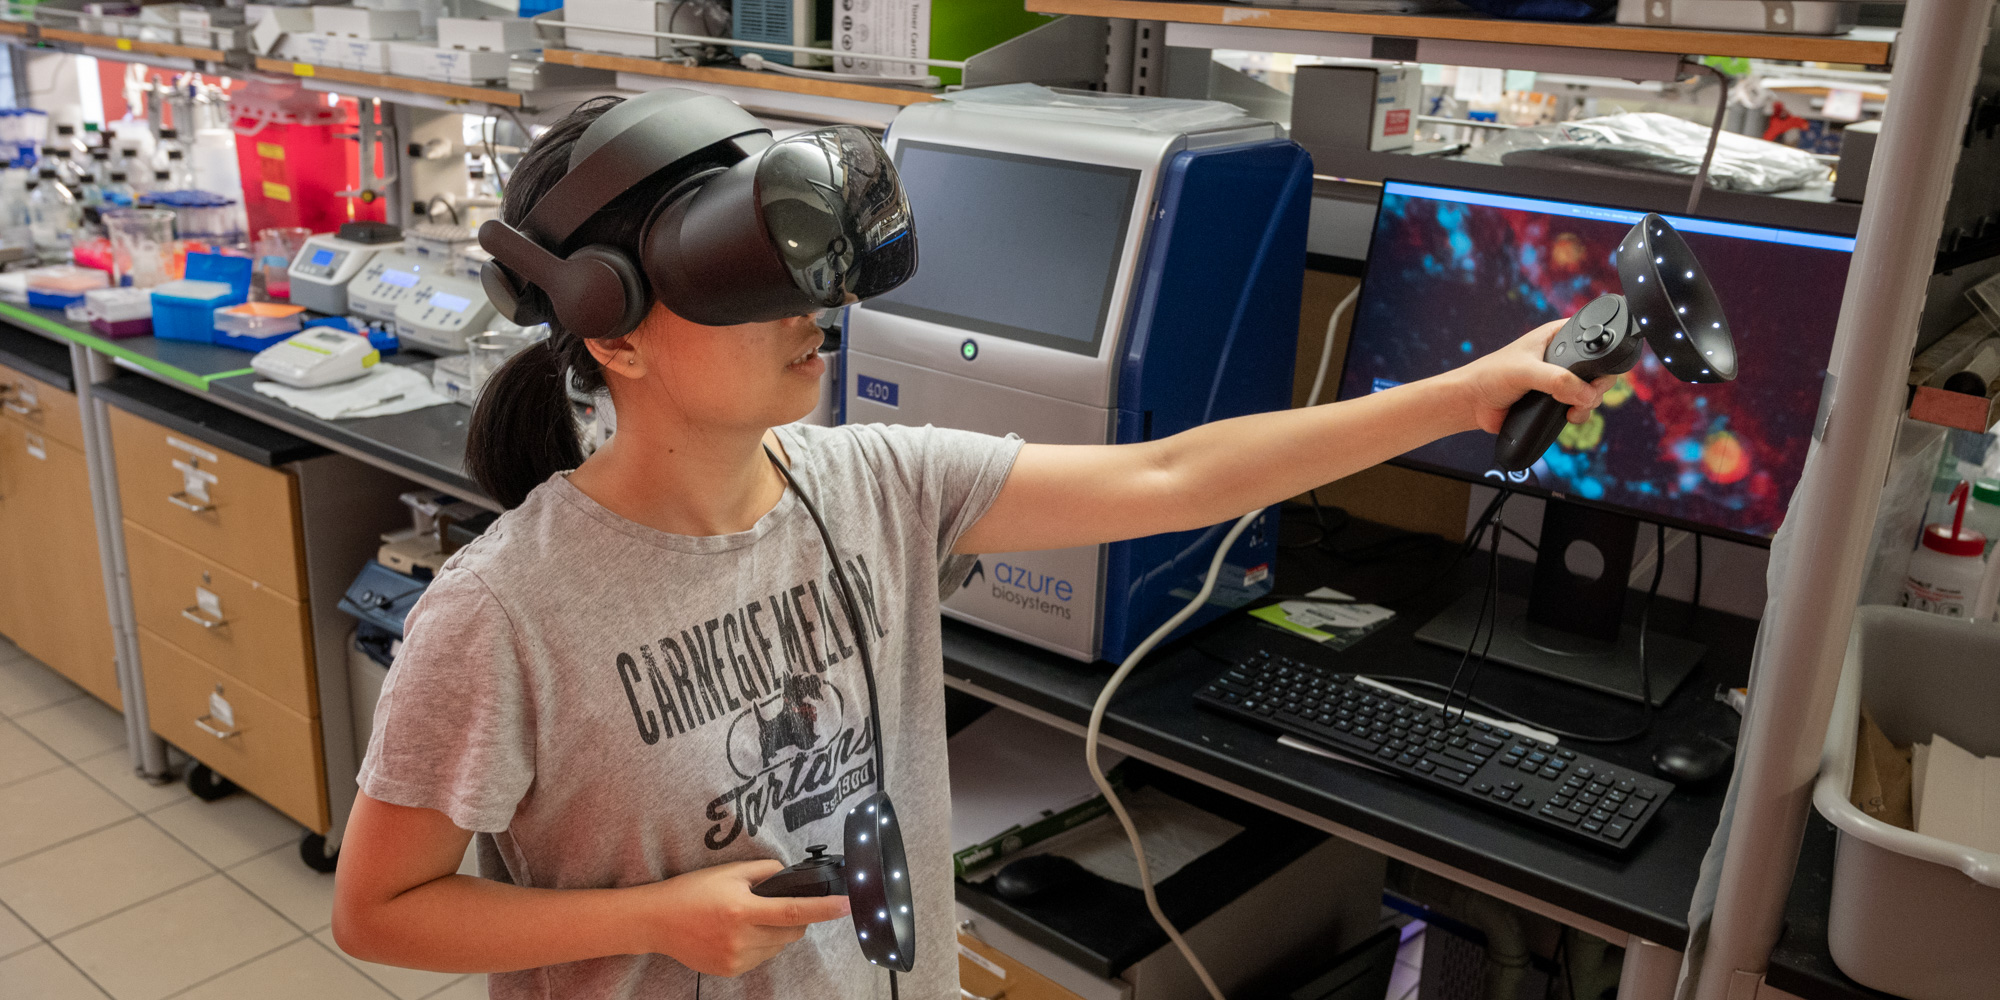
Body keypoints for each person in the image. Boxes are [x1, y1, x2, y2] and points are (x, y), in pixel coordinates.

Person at [330, 94, 1610, 1000]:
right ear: (613, 332)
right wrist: (657, 920)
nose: (819, 308)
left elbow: (1172, 473)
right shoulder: (504, 611)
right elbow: (380, 909)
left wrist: (1456, 396)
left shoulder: (876, 483)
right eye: (755, 283)